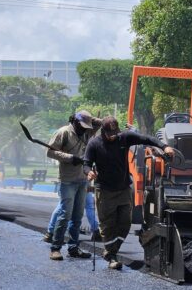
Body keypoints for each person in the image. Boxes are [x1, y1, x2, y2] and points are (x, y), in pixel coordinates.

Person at [83, 117, 174, 270]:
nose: (113, 136)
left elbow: (147, 139)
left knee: (125, 222)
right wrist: (89, 172)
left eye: (115, 133)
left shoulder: (124, 138)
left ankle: (111, 250)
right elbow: (86, 164)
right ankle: (111, 255)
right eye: (110, 133)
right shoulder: (94, 144)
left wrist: (164, 147)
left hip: (123, 188)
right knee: (108, 225)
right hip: (104, 191)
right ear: (103, 131)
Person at [46, 111, 102, 260]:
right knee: (65, 215)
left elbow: (102, 123)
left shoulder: (88, 132)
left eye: (86, 126)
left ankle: (73, 247)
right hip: (68, 180)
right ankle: (55, 248)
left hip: (83, 180)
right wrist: (70, 158)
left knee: (77, 217)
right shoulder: (63, 132)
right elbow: (50, 152)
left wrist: (89, 119)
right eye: (82, 125)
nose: (85, 129)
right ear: (75, 122)